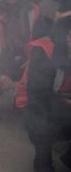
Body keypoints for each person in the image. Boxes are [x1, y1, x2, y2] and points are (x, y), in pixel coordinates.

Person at [22, 17, 71, 172]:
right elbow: (37, 98)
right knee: (42, 121)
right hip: (35, 106)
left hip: (63, 106)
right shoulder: (45, 50)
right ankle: (43, 162)